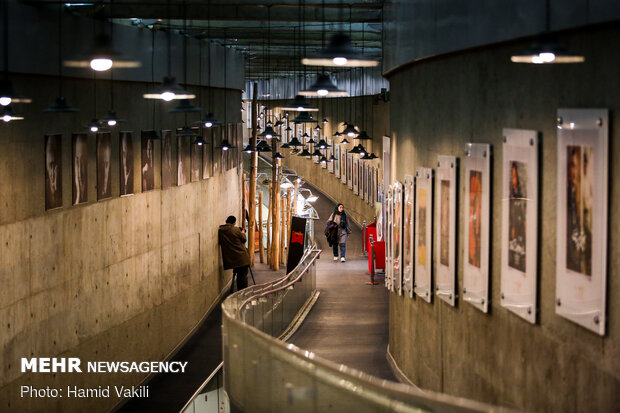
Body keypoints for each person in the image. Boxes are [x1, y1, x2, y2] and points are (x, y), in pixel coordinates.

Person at [218, 215, 251, 293]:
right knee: (242, 277)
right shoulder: (235, 230)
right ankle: (242, 293)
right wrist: (242, 232)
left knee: (238, 276)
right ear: (234, 222)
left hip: (231, 259)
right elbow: (244, 239)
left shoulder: (221, 231)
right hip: (242, 258)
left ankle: (237, 293)